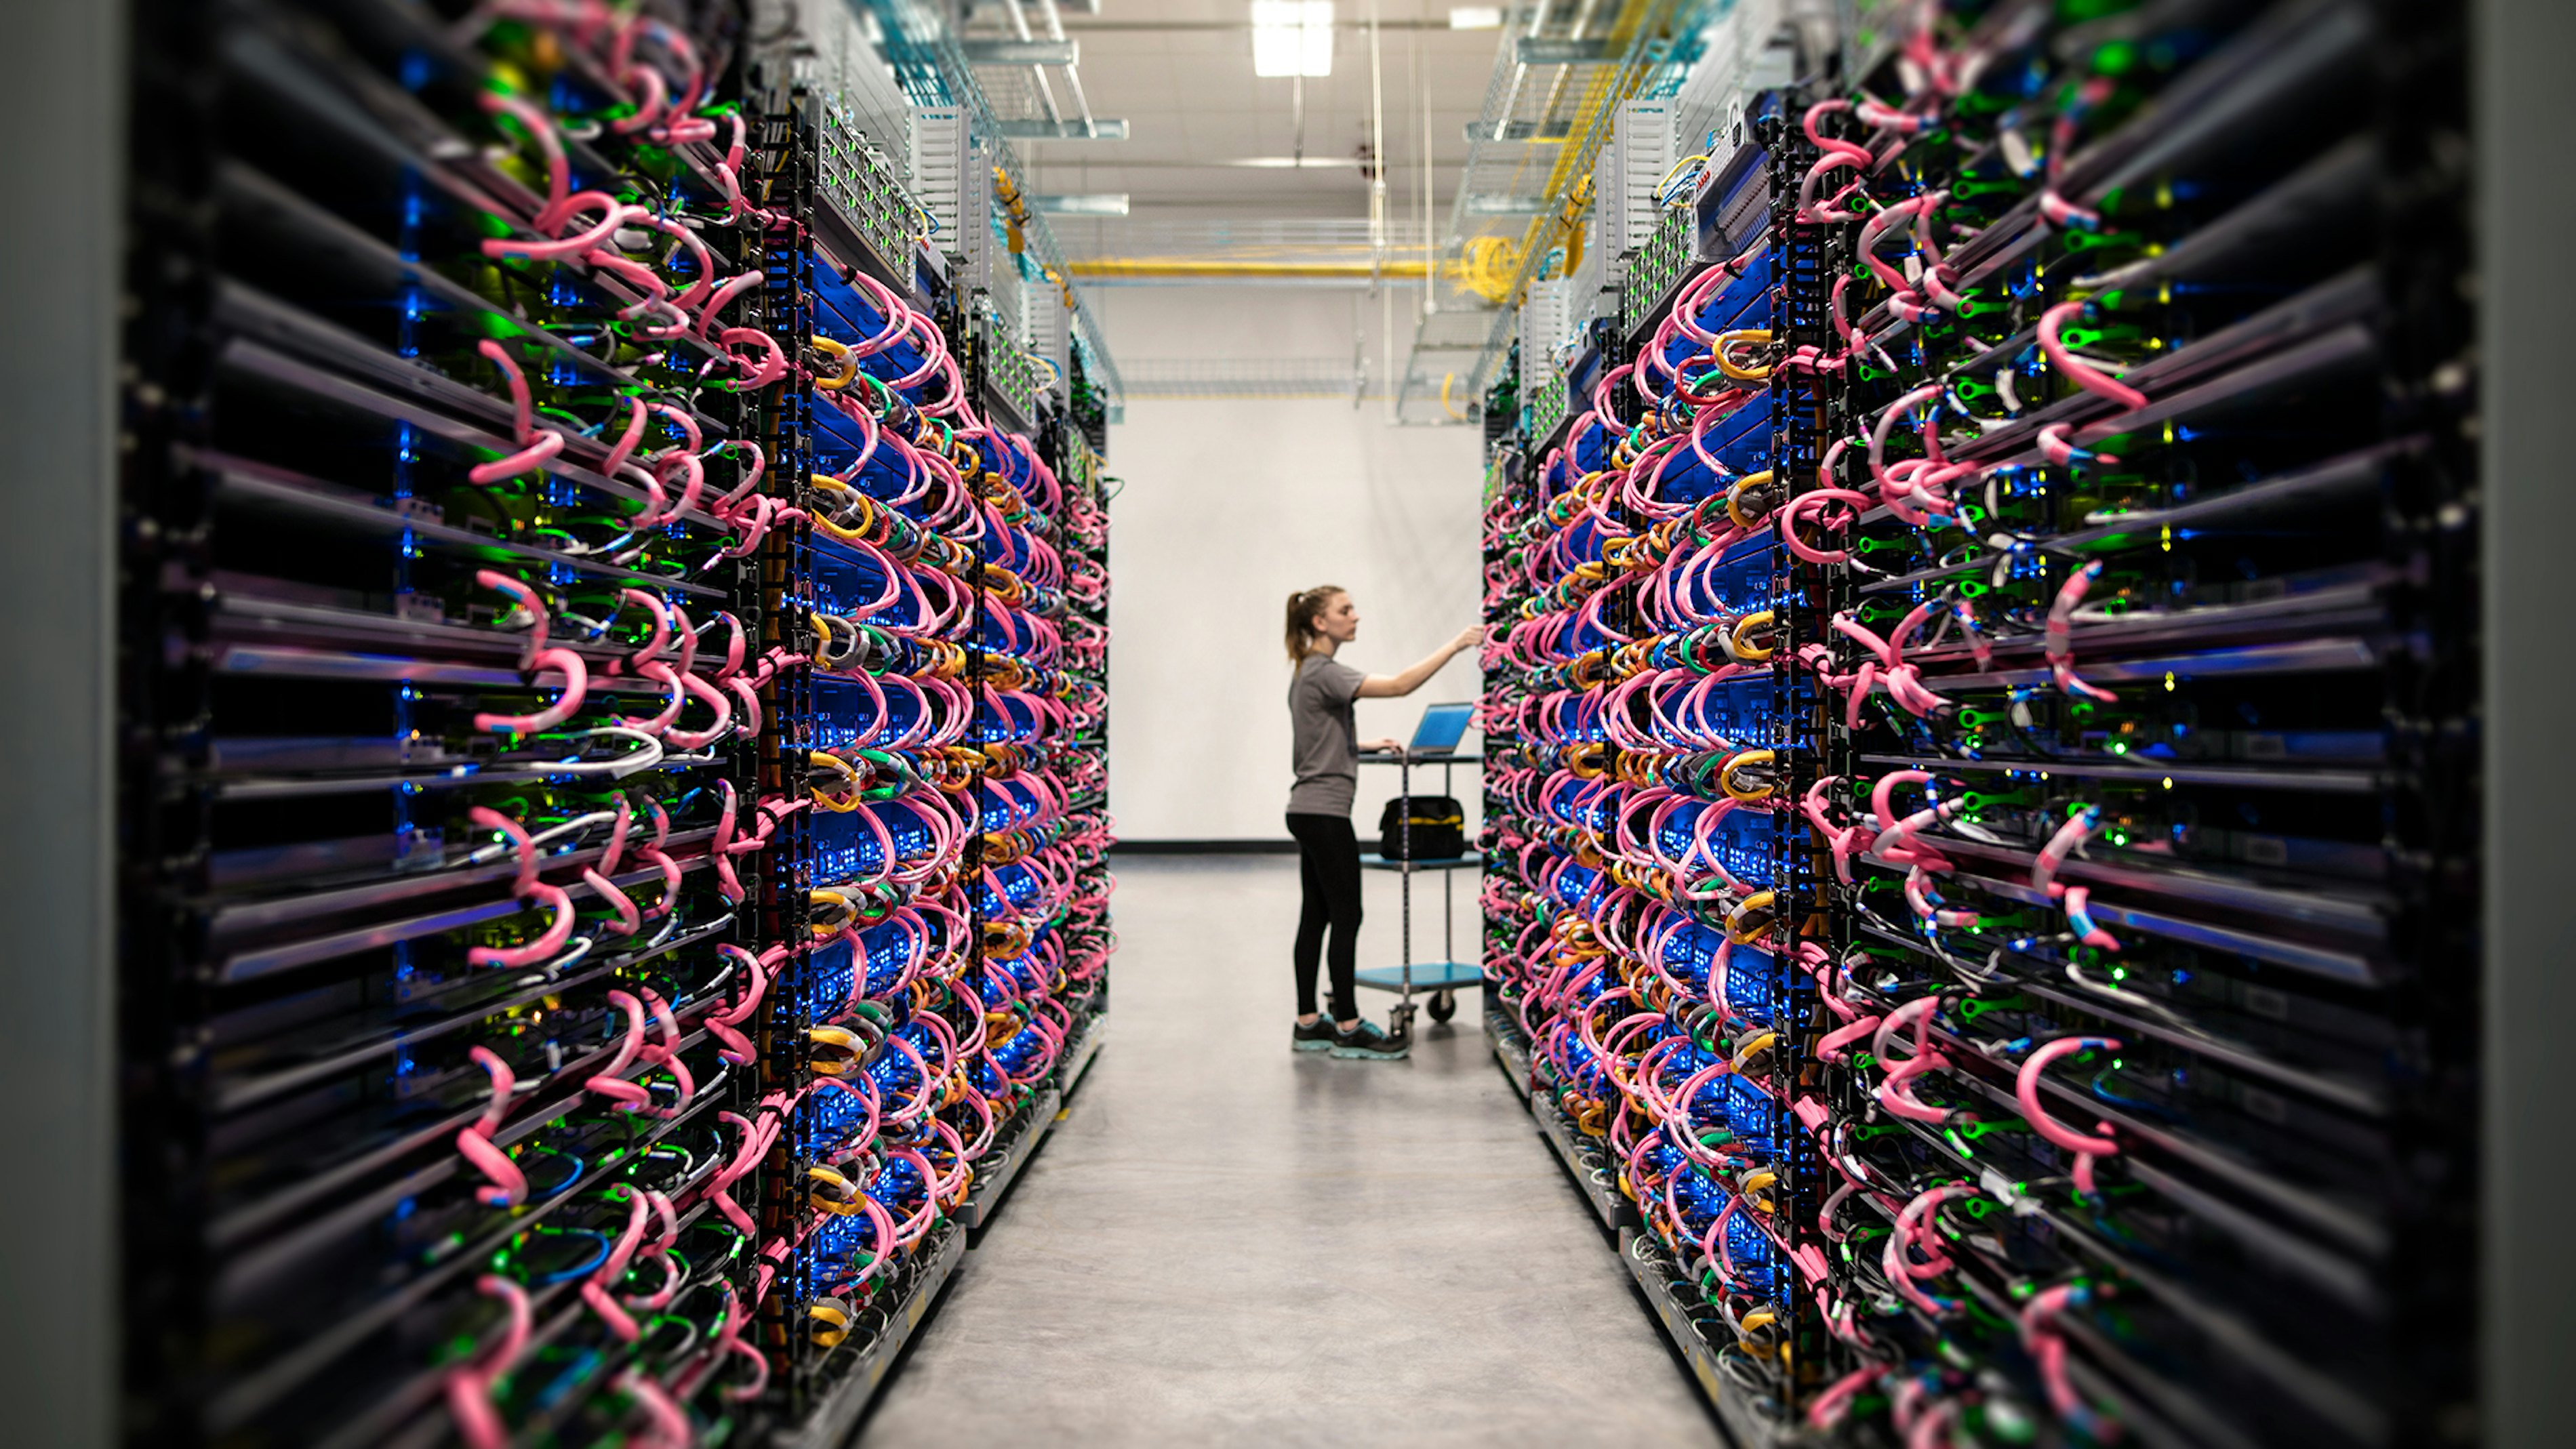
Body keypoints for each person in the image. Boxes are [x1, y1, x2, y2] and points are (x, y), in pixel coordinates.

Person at [1281, 584, 1483, 1060]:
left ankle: (1309, 1021)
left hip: (1306, 809)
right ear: (1319, 623)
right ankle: (1348, 1024)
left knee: (1317, 916)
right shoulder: (1325, 672)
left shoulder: (1306, 672)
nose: (1356, 617)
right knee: (1346, 916)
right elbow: (1398, 686)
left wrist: (1361, 745)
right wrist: (1455, 645)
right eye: (1344, 611)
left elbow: (1314, 742)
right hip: (1325, 812)